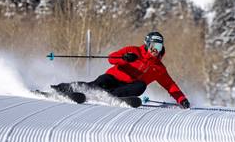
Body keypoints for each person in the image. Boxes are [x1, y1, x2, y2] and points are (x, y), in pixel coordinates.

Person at [52, 31, 190, 108]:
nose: (155, 50)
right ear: (147, 44)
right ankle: (63, 88)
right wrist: (124, 58)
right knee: (98, 83)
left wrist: (182, 99)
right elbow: (111, 58)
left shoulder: (158, 68)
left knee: (141, 86)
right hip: (113, 78)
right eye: (154, 46)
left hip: (126, 88)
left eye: (159, 47)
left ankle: (109, 95)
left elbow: (170, 85)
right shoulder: (133, 50)